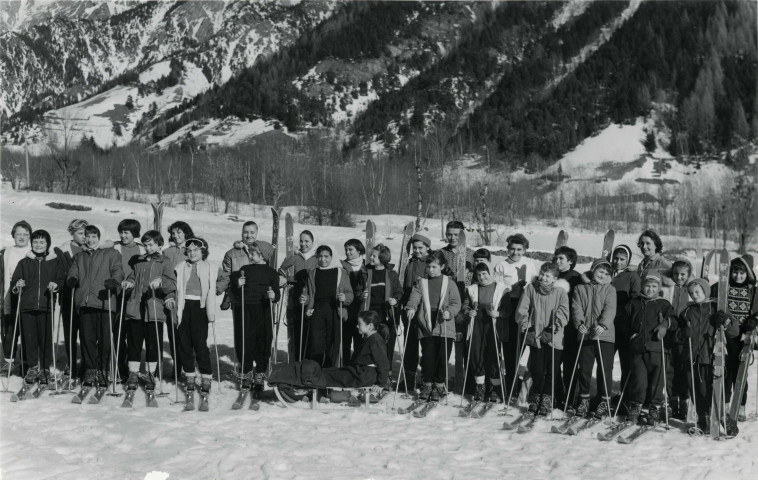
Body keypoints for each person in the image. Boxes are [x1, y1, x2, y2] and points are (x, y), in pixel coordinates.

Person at [66, 225, 125, 388]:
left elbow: (118, 270)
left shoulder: (112, 253)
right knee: (87, 339)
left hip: (104, 301)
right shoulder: (80, 256)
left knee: (105, 339)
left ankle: (103, 370)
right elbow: (74, 271)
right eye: (87, 236)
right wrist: (71, 279)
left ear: (101, 237)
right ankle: (90, 370)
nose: (90, 240)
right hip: (85, 303)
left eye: (94, 236)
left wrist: (115, 281)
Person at [217, 221, 275, 376]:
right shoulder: (232, 254)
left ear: (256, 233)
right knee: (243, 334)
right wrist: (222, 291)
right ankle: (245, 367)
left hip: (259, 300)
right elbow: (226, 275)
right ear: (241, 233)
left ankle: (261, 368)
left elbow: (268, 274)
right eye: (246, 232)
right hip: (240, 299)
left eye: (252, 232)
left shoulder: (262, 250)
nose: (248, 235)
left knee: (261, 335)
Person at [121, 231, 176, 393]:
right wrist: (129, 283)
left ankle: (151, 374)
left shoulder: (165, 262)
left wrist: (162, 281)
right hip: (136, 308)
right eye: (145, 244)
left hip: (154, 309)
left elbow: (172, 283)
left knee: (153, 344)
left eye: (151, 244)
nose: (147, 247)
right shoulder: (139, 262)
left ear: (160, 245)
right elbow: (133, 276)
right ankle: (133, 373)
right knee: (134, 343)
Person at [10, 230, 65, 386]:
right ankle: (33, 367)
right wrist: (17, 285)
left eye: (42, 242)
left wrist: (57, 285)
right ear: (31, 243)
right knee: (29, 338)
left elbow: (61, 279)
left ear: (47, 244)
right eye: (35, 242)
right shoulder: (24, 262)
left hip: (46, 305)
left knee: (45, 338)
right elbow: (14, 281)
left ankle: (45, 369)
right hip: (27, 306)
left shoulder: (54, 262)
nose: (38, 245)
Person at [405, 251, 461, 402]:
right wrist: (411, 307)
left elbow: (456, 302)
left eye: (434, 267)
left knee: (442, 357)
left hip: (444, 325)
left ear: (442, 266)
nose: (431, 270)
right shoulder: (421, 282)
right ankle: (427, 384)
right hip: (427, 324)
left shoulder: (449, 283)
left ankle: (439, 385)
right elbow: (415, 296)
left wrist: (450, 312)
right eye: (429, 267)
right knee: (428, 357)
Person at [516, 262, 569, 415]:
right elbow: (522, 310)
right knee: (537, 369)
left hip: (554, 336)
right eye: (542, 274)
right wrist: (528, 327)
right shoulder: (531, 289)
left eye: (548, 276)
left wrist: (554, 327)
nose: (543, 278)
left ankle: (547, 397)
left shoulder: (560, 292)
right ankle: (537, 396)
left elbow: (564, 312)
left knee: (552, 370)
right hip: (536, 336)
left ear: (554, 279)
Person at [625, 271, 676, 425]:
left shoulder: (664, 304)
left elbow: (674, 320)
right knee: (639, 379)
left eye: (654, 286)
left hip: (658, 348)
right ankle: (636, 406)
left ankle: (654, 407)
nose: (651, 289)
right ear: (642, 286)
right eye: (648, 286)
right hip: (638, 348)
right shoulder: (634, 303)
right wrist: (630, 335)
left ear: (659, 287)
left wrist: (665, 324)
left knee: (657, 381)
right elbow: (623, 321)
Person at [711, 255, 757, 422]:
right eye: (735, 272)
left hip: (744, 336)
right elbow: (710, 300)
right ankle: (726, 403)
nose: (738, 276)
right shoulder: (722, 287)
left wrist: (754, 320)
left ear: (748, 273)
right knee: (727, 371)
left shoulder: (753, 291)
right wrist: (716, 315)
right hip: (727, 335)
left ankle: (741, 405)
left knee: (741, 373)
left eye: (742, 273)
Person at [569, 259, 616, 417]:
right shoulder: (580, 288)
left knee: (605, 369)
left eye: (606, 273)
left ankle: (605, 400)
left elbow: (610, 309)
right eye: (600, 271)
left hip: (604, 335)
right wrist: (579, 323)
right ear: (592, 269)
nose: (603, 275)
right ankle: (584, 399)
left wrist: (603, 324)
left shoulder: (610, 289)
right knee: (585, 368)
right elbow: (576, 307)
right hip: (586, 333)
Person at [494, 233, 538, 398]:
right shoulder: (501, 265)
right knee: (511, 346)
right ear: (508, 249)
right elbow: (498, 288)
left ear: (524, 250)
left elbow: (535, 282)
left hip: (526, 306)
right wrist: (512, 289)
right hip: (509, 305)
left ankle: (522, 382)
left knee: (523, 344)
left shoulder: (529, 263)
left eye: (519, 249)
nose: (515, 252)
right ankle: (510, 381)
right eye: (512, 249)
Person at [174, 238, 217, 397]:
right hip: (184, 306)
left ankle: (206, 376)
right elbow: (175, 285)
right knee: (184, 343)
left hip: (200, 307)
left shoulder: (209, 267)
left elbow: (215, 285)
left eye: (196, 250)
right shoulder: (181, 266)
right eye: (190, 250)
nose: (192, 253)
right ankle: (190, 375)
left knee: (200, 343)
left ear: (203, 251)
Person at [462, 261, 510, 402]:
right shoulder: (471, 289)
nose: (482, 277)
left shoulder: (502, 289)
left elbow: (508, 308)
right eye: (478, 275)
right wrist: (468, 311)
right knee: (477, 354)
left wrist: (499, 313)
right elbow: (466, 304)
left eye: (484, 274)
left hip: (493, 324)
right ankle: (480, 386)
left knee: (494, 355)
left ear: (492, 273)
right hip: (477, 323)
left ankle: (494, 388)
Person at [299, 245, 353, 368]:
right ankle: (315, 370)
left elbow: (349, 293)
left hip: (335, 309)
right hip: (317, 309)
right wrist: (304, 298)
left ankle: (330, 371)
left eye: (326, 256)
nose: (323, 259)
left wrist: (345, 298)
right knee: (316, 341)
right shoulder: (313, 273)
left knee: (332, 342)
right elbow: (309, 292)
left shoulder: (341, 273)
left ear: (332, 257)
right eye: (320, 256)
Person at [237, 242, 280, 394]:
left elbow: (277, 295)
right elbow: (236, 293)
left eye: (253, 253)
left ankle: (260, 373)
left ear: (263, 256)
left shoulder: (271, 273)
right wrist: (238, 284)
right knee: (247, 341)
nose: (250, 255)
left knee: (263, 340)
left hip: (264, 310)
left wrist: (273, 295)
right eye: (250, 252)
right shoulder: (244, 270)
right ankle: (247, 371)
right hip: (247, 309)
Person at [677, 278, 718, 433]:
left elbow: (732, 330)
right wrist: (682, 333)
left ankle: (713, 415)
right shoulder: (687, 311)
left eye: (697, 292)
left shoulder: (715, 308)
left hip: (710, 355)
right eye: (691, 293)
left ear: (705, 291)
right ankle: (703, 417)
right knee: (695, 389)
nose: (694, 295)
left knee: (708, 389)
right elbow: (677, 334)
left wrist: (725, 320)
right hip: (692, 357)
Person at [321, 310, 390, 401]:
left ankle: (307, 376)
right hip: (359, 373)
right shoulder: (368, 338)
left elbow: (383, 363)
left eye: (360, 324)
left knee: (328, 375)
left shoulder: (375, 341)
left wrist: (381, 384)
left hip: (362, 376)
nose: (357, 326)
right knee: (329, 372)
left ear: (370, 326)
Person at [110, 219, 145, 382]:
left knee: (134, 333)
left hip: (136, 296)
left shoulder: (143, 248)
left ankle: (133, 369)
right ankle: (119, 367)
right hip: (118, 294)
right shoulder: (115, 247)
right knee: (118, 332)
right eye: (121, 232)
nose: (123, 235)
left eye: (126, 232)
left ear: (134, 234)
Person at [609, 244, 641, 413]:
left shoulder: (632, 276)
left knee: (626, 363)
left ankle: (625, 397)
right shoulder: (607, 272)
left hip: (624, 326)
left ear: (628, 260)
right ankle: (605, 396)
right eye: (616, 258)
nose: (618, 262)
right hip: (606, 326)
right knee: (606, 363)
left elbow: (636, 299)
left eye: (622, 259)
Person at [398, 233, 431, 392]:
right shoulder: (410, 263)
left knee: (426, 342)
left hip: (424, 309)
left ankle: (426, 377)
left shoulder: (430, 263)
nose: (417, 251)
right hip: (409, 308)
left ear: (427, 248)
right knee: (410, 344)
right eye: (415, 248)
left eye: (420, 248)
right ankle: (409, 377)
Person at [278, 230, 318, 362]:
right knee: (297, 331)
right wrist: (288, 279)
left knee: (311, 331)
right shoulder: (295, 257)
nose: (303, 244)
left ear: (312, 242)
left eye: (306, 241)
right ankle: (297, 361)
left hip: (313, 299)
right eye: (301, 241)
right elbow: (281, 270)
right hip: (296, 298)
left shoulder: (317, 258)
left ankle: (309, 361)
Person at [162, 221, 196, 379]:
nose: (176, 236)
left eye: (179, 233)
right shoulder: (167, 252)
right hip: (172, 297)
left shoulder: (193, 249)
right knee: (173, 333)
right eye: (173, 233)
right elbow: (163, 274)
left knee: (187, 334)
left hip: (189, 297)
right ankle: (177, 365)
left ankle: (188, 366)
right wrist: (168, 293)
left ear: (186, 233)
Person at [57, 219, 89, 382]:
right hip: (69, 296)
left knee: (86, 332)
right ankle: (71, 363)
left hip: (85, 297)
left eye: (86, 233)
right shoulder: (63, 249)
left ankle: (86, 364)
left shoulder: (92, 248)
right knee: (70, 331)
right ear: (72, 233)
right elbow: (59, 271)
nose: (84, 236)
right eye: (80, 233)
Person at [361, 244, 402, 369]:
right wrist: (362, 294)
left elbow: (399, 291)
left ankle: (386, 373)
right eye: (371, 255)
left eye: (374, 256)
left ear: (383, 258)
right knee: (370, 343)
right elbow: (357, 290)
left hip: (385, 313)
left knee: (385, 344)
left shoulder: (391, 274)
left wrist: (395, 299)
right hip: (369, 313)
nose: (371, 258)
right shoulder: (365, 273)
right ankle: (369, 372)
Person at [1, 220, 32, 375]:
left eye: (25, 234)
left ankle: (27, 364)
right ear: (13, 235)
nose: (22, 237)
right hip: (9, 296)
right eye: (18, 234)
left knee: (27, 331)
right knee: (10, 331)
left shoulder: (33, 253)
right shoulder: (5, 253)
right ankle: (9, 362)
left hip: (27, 298)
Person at [665, 259, 694, 420]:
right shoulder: (669, 286)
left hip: (684, 331)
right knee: (670, 368)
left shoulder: (691, 288)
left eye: (683, 274)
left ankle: (684, 401)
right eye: (676, 273)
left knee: (683, 368)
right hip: (669, 329)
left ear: (688, 275)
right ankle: (672, 400)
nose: (679, 277)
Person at [554, 245, 582, 408]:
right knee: (554, 363)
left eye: (561, 259)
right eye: (556, 258)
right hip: (555, 325)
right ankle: (557, 395)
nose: (557, 261)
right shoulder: (552, 275)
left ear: (570, 261)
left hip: (571, 327)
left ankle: (570, 398)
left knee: (570, 364)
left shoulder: (576, 278)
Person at [340, 238, 367, 362]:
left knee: (360, 340)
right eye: (346, 249)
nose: (347, 252)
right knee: (345, 340)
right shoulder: (341, 266)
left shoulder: (367, 266)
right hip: (346, 308)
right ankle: (344, 366)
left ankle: (357, 367)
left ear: (359, 250)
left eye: (350, 249)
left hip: (362, 308)